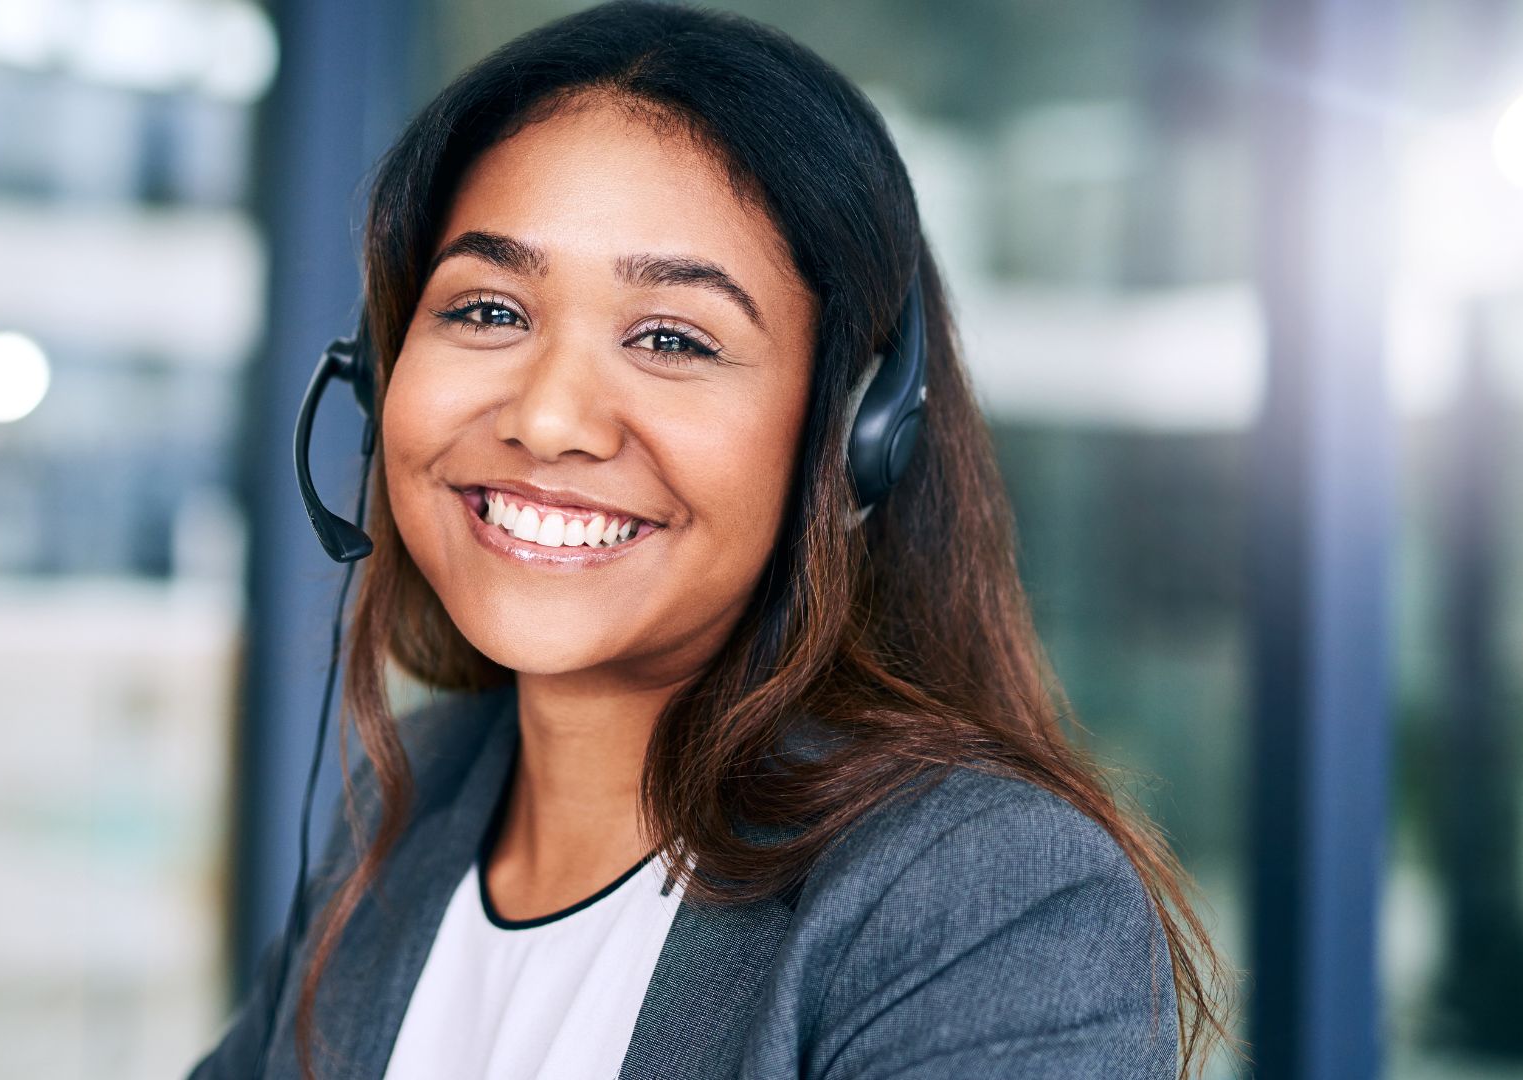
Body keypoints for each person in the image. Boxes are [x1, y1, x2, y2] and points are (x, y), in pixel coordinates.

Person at [189, 2, 1237, 1077]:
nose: (549, 419)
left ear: (852, 438)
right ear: (378, 371)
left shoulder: (980, 899)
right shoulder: (414, 797)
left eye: (672, 337)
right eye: (490, 310)